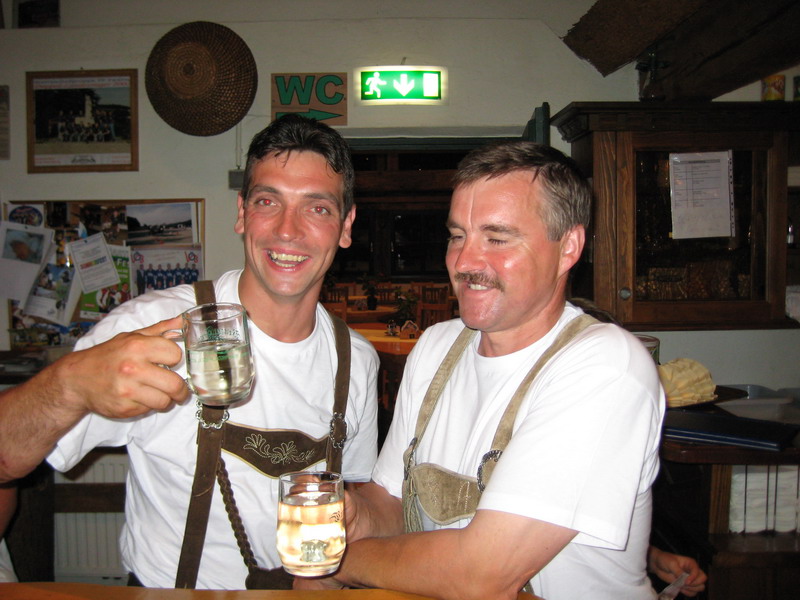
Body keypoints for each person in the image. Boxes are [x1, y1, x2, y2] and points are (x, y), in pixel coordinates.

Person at [0, 114, 379, 590]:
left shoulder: (356, 361)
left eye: (317, 208)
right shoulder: (152, 328)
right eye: (268, 201)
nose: (288, 230)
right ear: (242, 213)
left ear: (345, 226)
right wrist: (68, 385)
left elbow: (357, 494)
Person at [301, 141, 667, 599]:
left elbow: (483, 575)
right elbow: (392, 501)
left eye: (497, 238)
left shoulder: (606, 367)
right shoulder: (437, 347)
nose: (464, 262)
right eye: (458, 236)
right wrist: (355, 517)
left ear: (569, 247)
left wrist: (335, 562)